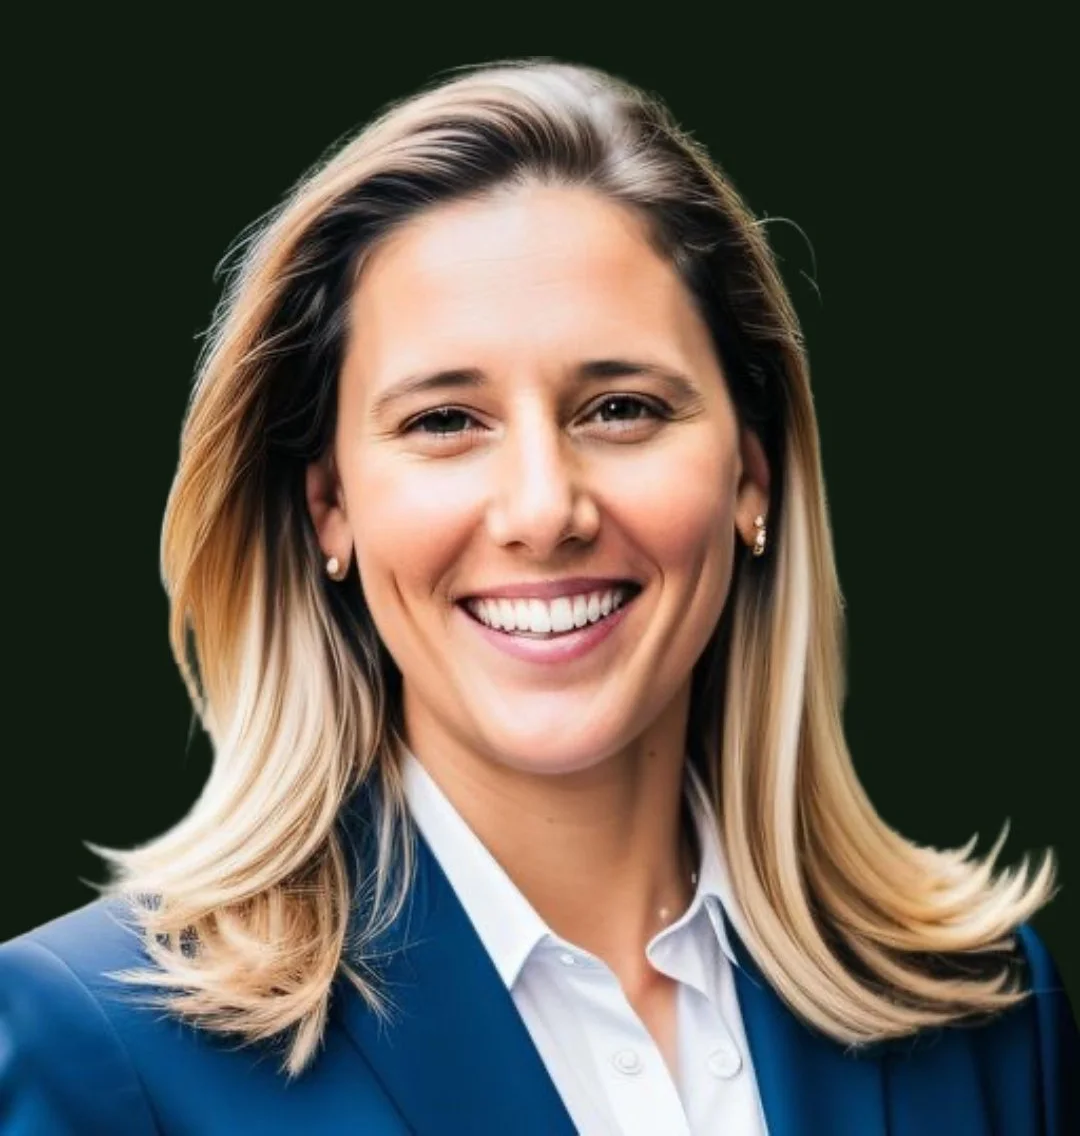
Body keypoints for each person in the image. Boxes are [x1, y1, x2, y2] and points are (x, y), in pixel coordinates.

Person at [0, 60, 1075, 1136]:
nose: (543, 509)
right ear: (330, 505)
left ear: (752, 473)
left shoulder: (986, 1015)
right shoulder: (95, 1044)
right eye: (444, 421)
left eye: (619, 407)